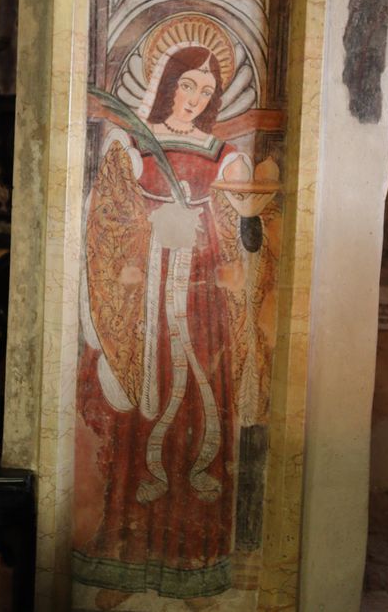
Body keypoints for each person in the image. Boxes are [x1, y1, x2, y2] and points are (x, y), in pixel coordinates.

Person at [73, 41, 278, 611]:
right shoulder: (131, 147)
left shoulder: (225, 157)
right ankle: (123, 562)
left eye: (207, 91)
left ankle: (198, 569)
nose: (195, 98)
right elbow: (107, 224)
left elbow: (244, 232)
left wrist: (232, 231)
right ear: (167, 83)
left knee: (202, 426)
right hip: (147, 311)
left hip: (204, 310)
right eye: (188, 84)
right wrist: (148, 235)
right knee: (136, 429)